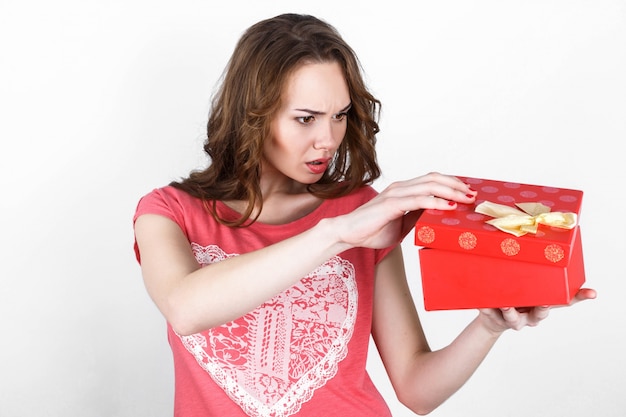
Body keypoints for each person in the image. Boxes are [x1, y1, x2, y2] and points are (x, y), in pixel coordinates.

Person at [132, 13, 596, 417]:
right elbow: (186, 308)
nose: (328, 139)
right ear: (252, 115)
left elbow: (417, 390)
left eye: (340, 115)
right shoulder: (168, 212)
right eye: (305, 118)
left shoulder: (361, 211)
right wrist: (339, 234)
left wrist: (489, 325)